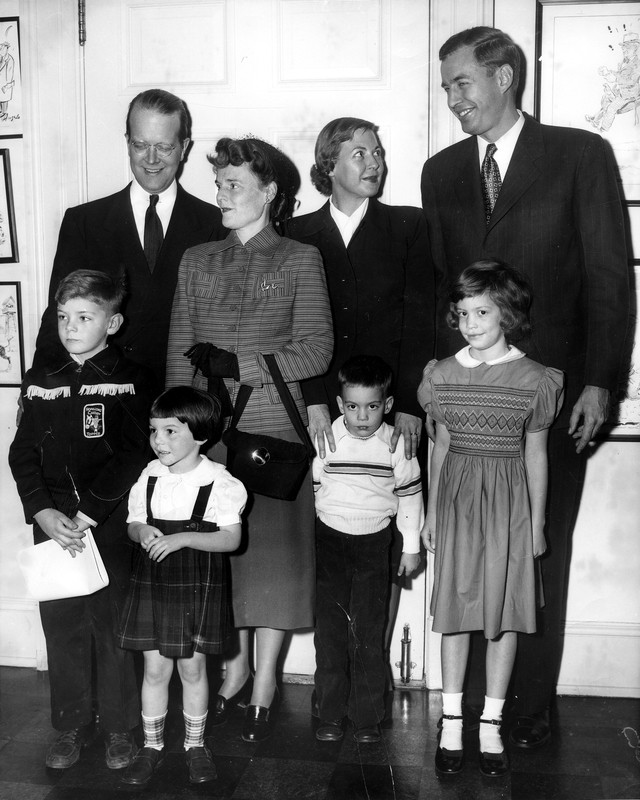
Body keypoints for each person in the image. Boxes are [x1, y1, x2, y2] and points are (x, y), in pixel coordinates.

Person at [421, 26, 629, 748]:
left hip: (551, 401)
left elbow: (608, 277)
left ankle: (526, 710)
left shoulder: (580, 155)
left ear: (505, 75)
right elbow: (440, 293)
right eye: (446, 85)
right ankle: (464, 711)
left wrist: (601, 382)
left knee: (537, 549)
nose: (452, 99)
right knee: (468, 552)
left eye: (461, 83)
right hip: (470, 406)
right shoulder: (441, 171)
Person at [165, 136, 333, 743]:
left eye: (234, 185)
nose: (221, 196)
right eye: (219, 185)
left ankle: (265, 682)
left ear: (271, 193)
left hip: (271, 433)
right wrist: (173, 432)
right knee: (220, 563)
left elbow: (317, 350)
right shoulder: (196, 259)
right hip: (208, 438)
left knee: (275, 565)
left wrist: (241, 363)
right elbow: (179, 355)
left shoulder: (298, 258)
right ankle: (233, 665)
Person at [285, 116, 434, 697]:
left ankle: (368, 693)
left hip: (386, 412)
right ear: (328, 167)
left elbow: (420, 317)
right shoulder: (297, 232)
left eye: (377, 151)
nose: (373, 162)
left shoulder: (407, 227)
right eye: (358, 154)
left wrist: (411, 408)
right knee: (328, 555)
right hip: (324, 411)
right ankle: (329, 690)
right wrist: (316, 397)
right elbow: (291, 327)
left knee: (378, 558)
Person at [419, 261, 563, 777]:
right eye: (462, 313)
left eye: (482, 311)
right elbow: (440, 449)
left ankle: (492, 723)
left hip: (508, 506)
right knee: (455, 613)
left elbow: (536, 455)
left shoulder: (534, 379)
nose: (471, 322)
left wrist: (538, 523)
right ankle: (453, 720)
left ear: (508, 313)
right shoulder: (441, 374)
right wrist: (432, 512)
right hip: (457, 501)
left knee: (502, 615)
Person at [9, 270, 156, 771]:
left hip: (106, 523)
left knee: (112, 626)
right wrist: (43, 511)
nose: (70, 327)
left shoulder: (132, 380)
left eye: (85, 317)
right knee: (63, 625)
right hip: (51, 527)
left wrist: (88, 513)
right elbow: (22, 454)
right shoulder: (41, 381)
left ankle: (119, 729)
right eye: (63, 317)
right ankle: (71, 724)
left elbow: (134, 453)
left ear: (112, 322)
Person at [32, 88, 225, 387]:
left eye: (163, 146)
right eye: (140, 145)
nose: (151, 159)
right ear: (127, 143)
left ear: (184, 147)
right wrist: (39, 387)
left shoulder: (216, 223)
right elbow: (58, 315)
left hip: (184, 396)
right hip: (103, 395)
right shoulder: (83, 222)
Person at [119, 387, 247, 787]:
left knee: (193, 669)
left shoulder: (220, 482)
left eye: (171, 431)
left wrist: (183, 539)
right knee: (154, 668)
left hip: (195, 581)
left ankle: (195, 745)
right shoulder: (150, 475)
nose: (159, 440)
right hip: (154, 580)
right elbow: (133, 522)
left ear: (201, 435)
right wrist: (142, 532)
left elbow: (231, 539)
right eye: (155, 431)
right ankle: (152, 746)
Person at [312, 355, 423, 744]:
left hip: (375, 543)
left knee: (368, 631)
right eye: (354, 407)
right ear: (340, 406)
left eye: (373, 407)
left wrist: (410, 547)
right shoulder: (326, 439)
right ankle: (328, 713)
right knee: (329, 633)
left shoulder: (396, 444)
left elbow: (410, 498)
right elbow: (315, 489)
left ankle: (367, 718)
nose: (362, 417)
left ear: (388, 406)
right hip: (329, 541)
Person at [586, 31, 640, 133]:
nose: (624, 49)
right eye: (623, 47)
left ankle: (603, 130)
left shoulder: (637, 64)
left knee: (611, 108)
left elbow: (632, 81)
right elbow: (619, 73)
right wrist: (607, 72)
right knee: (606, 99)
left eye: (627, 47)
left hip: (630, 94)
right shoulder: (625, 61)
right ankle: (596, 120)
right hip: (621, 91)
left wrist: (615, 79)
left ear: (635, 48)